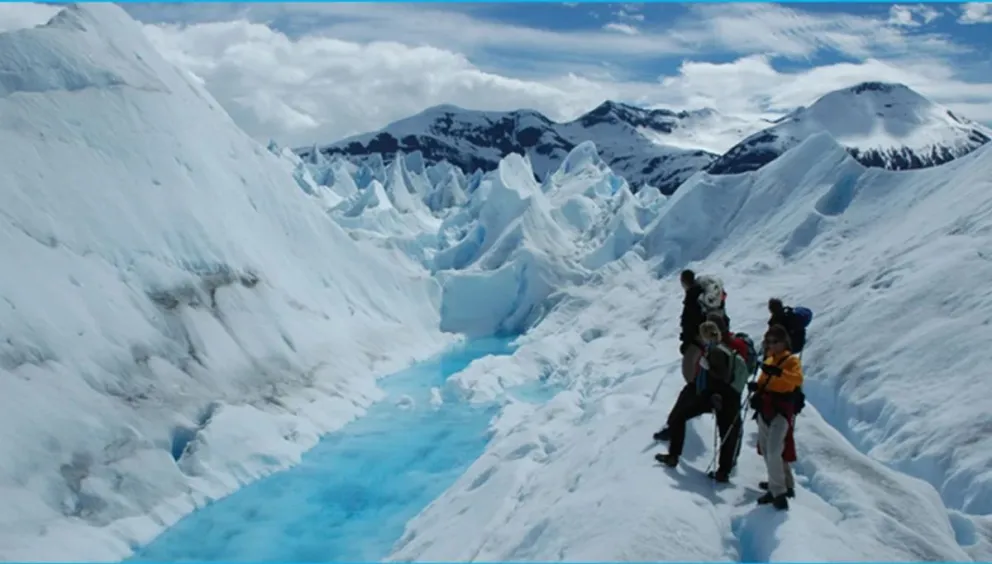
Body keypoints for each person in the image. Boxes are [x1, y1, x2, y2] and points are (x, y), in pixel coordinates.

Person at [655, 320, 743, 482]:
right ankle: (723, 472)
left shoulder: (716, 351)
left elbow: (720, 376)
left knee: (680, 417)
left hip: (718, 397)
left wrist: (708, 367)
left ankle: (674, 455)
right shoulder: (722, 349)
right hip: (727, 398)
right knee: (727, 434)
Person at [748, 324, 803, 510]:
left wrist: (779, 373)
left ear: (783, 342)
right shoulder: (770, 360)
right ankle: (785, 484)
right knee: (769, 449)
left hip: (780, 410)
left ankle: (777, 493)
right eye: (768, 341)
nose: (770, 344)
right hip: (766, 408)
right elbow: (766, 381)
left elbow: (797, 380)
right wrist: (757, 387)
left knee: (773, 450)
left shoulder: (791, 361)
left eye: (774, 341)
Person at [652, 270, 707, 443]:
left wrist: (687, 342)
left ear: (683, 281)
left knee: (691, 382)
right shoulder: (703, 296)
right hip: (703, 344)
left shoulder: (693, 298)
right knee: (696, 380)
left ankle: (675, 423)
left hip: (696, 344)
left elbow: (690, 322)